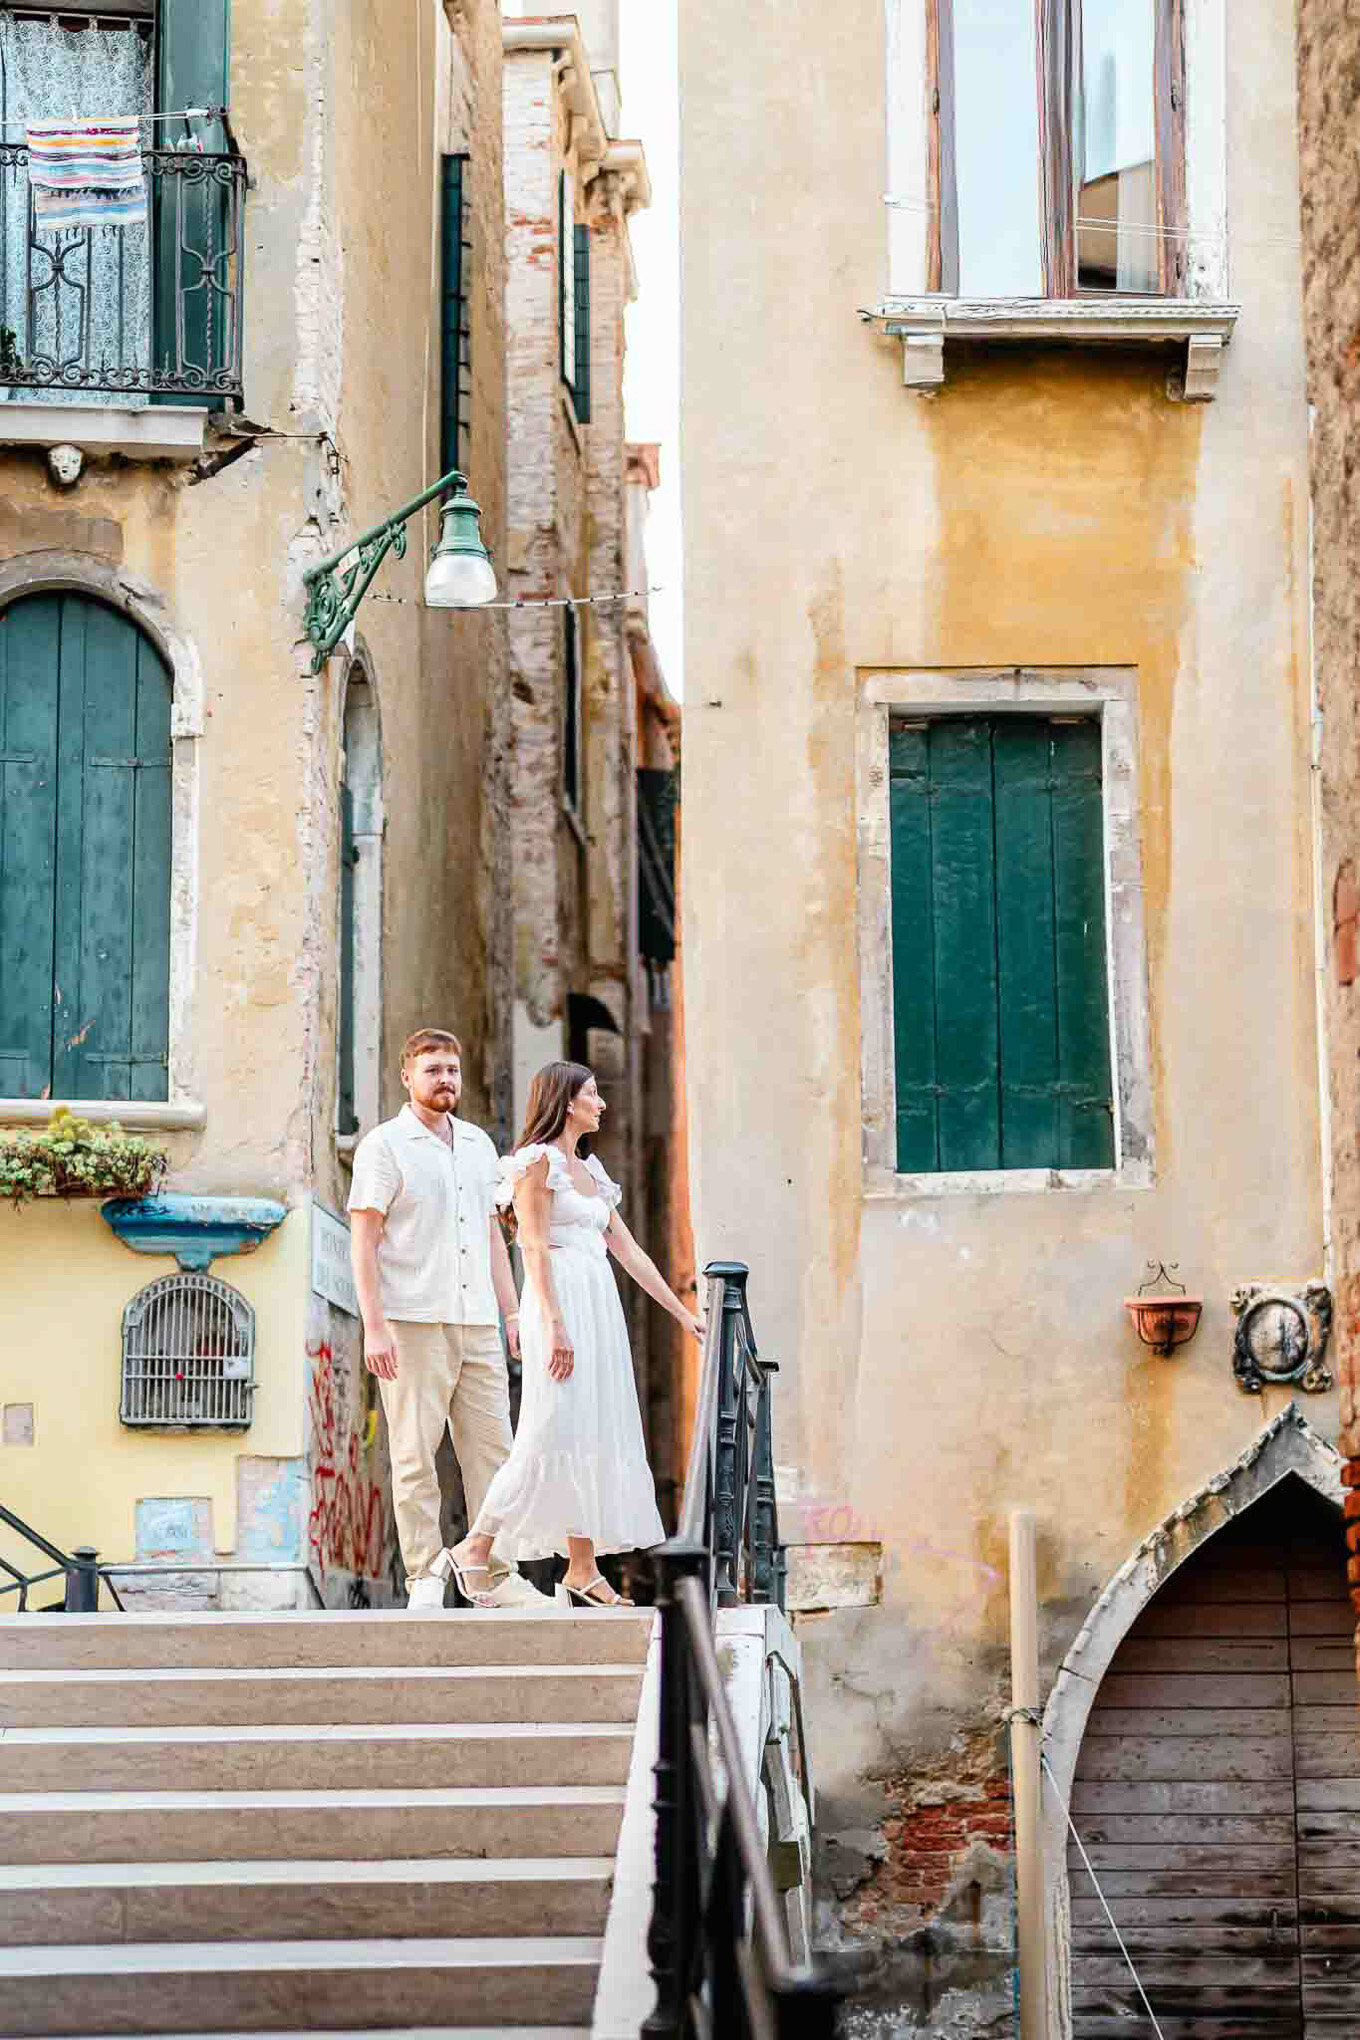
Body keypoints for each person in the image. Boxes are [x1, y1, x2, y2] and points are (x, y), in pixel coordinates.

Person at [443, 1060, 704, 1608]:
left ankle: (582, 1568)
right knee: (547, 1425)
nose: (602, 1104)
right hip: (556, 1303)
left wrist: (683, 1315)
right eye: (592, 1095)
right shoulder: (535, 1164)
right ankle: (476, 1545)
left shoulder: (591, 1170)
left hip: (596, 1305)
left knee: (588, 1428)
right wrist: (554, 1324)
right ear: (565, 1102)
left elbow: (627, 1250)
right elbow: (533, 1246)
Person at [348, 1028, 550, 1611]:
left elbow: (492, 1237)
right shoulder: (385, 1147)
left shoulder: (480, 1147)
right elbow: (365, 1242)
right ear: (407, 1077)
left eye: (453, 1070)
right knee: (414, 1458)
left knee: (496, 1454)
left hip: (477, 1323)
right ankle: (423, 1576)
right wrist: (375, 1325)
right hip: (411, 1321)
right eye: (433, 1069)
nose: (446, 1080)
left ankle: (493, 1572)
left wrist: (513, 1313)